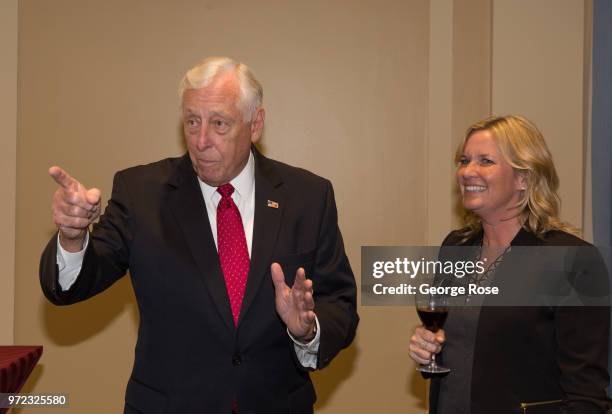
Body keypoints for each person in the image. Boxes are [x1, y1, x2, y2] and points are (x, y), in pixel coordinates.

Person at [39, 56, 358, 414]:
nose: (201, 140)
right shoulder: (140, 193)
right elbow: (73, 285)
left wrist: (306, 330)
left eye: (219, 123)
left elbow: (340, 305)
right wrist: (71, 236)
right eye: (192, 121)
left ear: (256, 125)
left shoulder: (307, 197)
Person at [408, 115, 610, 413]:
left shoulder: (571, 259)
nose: (467, 172)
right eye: (464, 160)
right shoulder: (456, 246)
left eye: (485, 161)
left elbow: (586, 397)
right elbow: (462, 354)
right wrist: (429, 352)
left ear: (524, 178)